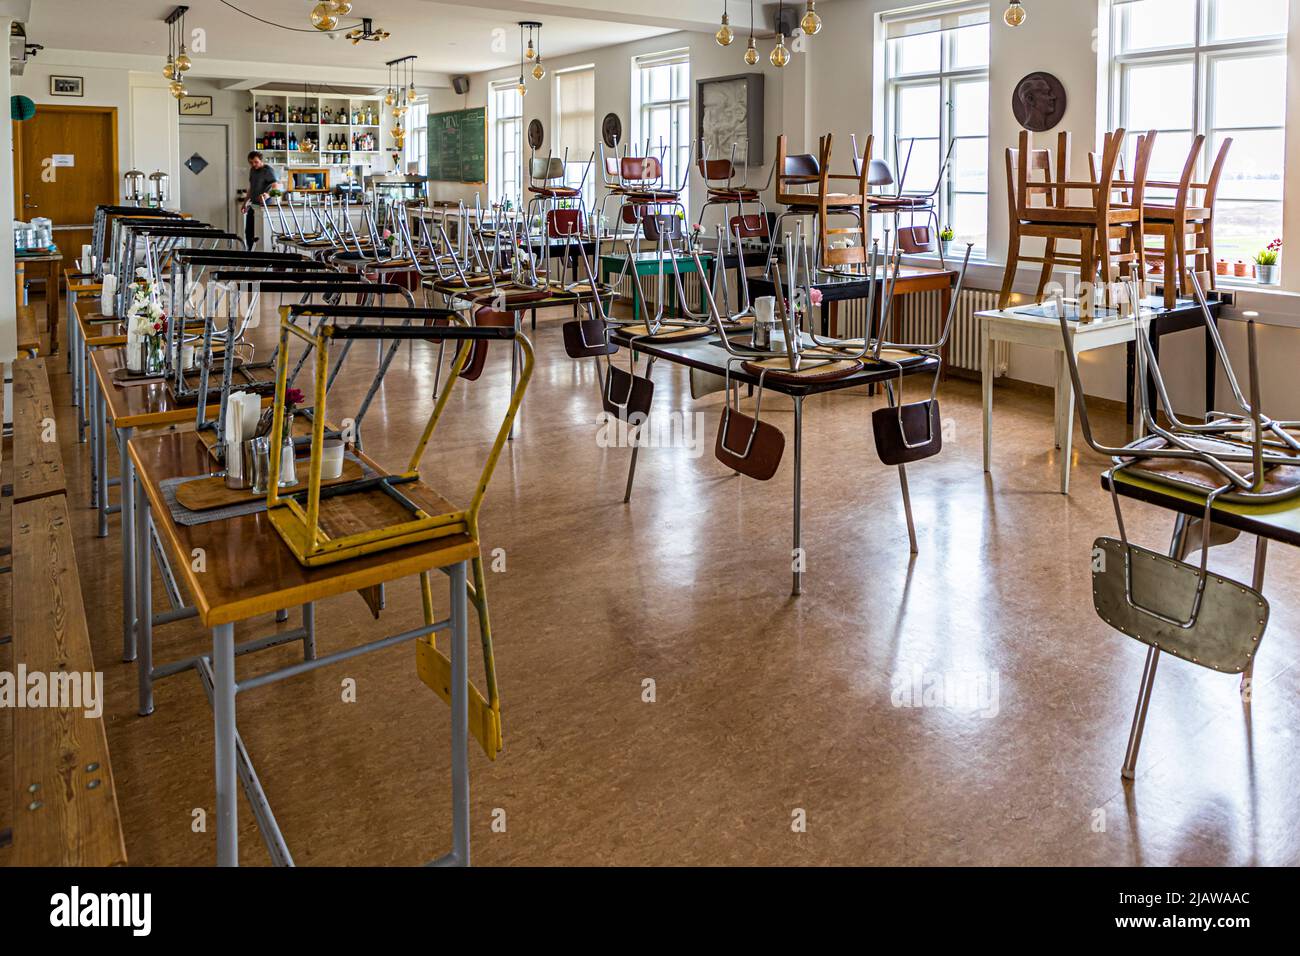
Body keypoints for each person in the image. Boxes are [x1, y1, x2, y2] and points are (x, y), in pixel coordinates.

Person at [242, 151, 281, 249]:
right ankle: (249, 253)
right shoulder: (252, 170)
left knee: (260, 233)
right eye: (251, 162)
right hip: (253, 204)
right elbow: (251, 188)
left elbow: (276, 186)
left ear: (261, 160)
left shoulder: (268, 171)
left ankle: (259, 254)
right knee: (249, 231)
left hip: (264, 205)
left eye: (256, 162)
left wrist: (267, 195)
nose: (253, 165)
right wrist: (245, 203)